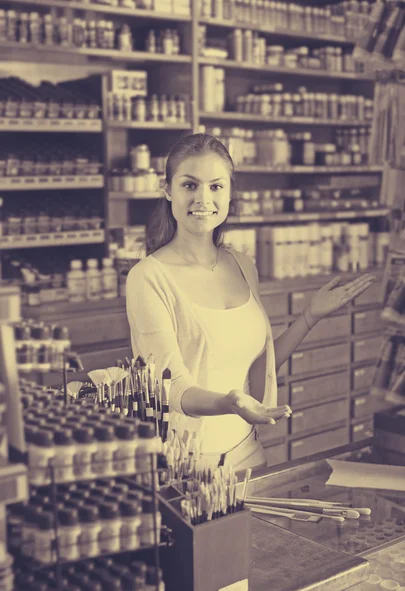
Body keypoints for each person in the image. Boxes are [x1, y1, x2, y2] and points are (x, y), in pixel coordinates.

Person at [126, 133, 375, 472]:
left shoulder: (242, 265)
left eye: (216, 186)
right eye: (189, 185)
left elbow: (260, 368)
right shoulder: (148, 277)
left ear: (229, 193)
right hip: (187, 465)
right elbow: (171, 388)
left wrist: (309, 316)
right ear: (167, 189)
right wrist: (230, 402)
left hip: (249, 453)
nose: (203, 198)